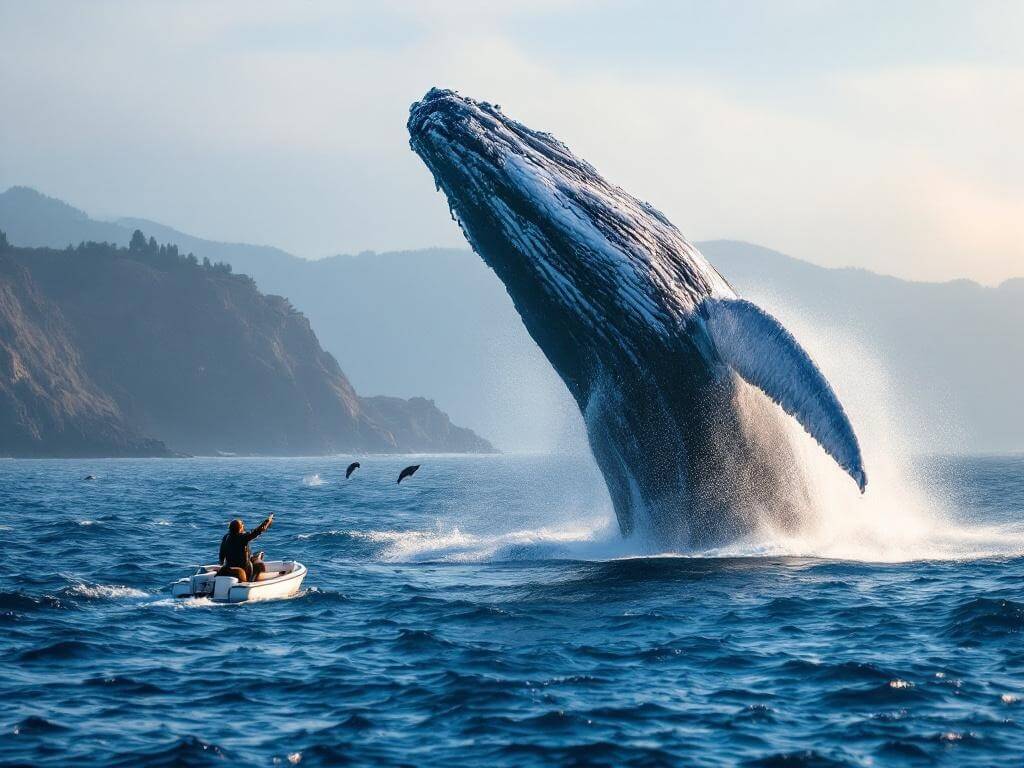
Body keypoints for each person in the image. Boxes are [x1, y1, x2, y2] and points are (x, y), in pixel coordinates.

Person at [218, 514, 274, 583]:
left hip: (229, 565)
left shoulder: (226, 537)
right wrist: (268, 521)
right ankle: (251, 581)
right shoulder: (243, 537)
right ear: (240, 528)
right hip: (243, 568)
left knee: (257, 555)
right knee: (259, 563)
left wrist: (221, 564)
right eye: (242, 526)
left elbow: (221, 555)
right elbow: (258, 531)